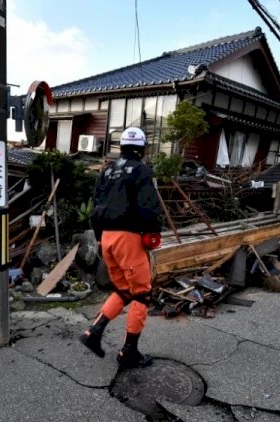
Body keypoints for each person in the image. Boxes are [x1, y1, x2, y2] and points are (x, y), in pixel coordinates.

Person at [79, 127, 163, 369]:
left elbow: (96, 207)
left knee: (124, 290)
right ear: (142, 148)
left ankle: (92, 333)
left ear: (122, 147)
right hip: (129, 238)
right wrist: (154, 231)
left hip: (106, 238)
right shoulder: (142, 171)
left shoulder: (106, 172)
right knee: (142, 294)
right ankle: (129, 352)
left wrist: (97, 237)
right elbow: (147, 207)